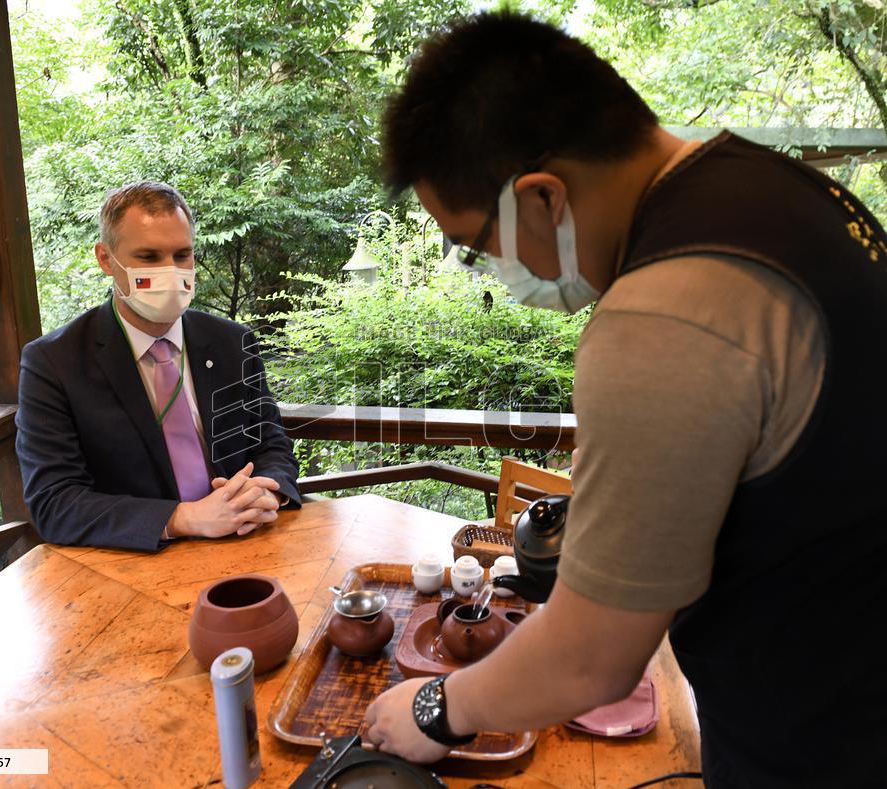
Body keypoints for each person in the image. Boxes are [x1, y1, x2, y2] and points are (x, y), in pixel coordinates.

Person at [364, 12, 887, 786]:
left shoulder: (662, 316)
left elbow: (591, 658)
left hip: (821, 744)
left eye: (477, 245)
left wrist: (436, 707)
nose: (489, 269)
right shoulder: (782, 189)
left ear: (541, 197)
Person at [15, 182, 300, 551]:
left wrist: (265, 492)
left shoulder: (232, 342)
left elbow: (271, 443)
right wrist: (185, 518)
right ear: (106, 259)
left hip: (246, 540)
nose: (170, 271)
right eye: (148, 257)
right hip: (135, 560)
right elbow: (55, 502)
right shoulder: (53, 362)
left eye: (182, 255)